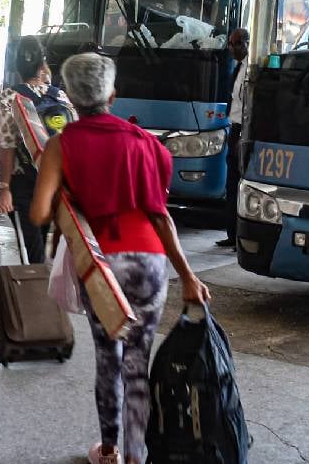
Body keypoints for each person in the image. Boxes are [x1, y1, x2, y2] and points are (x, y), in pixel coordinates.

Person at [28, 53, 211, 464]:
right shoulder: (146, 142)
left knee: (107, 355)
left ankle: (108, 449)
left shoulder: (62, 144)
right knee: (137, 360)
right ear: (113, 94)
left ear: (71, 97)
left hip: (101, 264)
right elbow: (159, 215)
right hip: (149, 261)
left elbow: (39, 214)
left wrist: (67, 193)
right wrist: (188, 276)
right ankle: (135, 456)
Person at [0, 35, 73, 264]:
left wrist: (4, 188)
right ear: (42, 65)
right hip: (55, 181)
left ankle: (37, 290)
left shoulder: (10, 96)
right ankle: (47, 288)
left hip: (25, 183)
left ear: (16, 67)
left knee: (31, 247)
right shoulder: (60, 96)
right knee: (44, 240)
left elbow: (7, 145)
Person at [217, 28, 250, 249]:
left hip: (243, 130)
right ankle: (232, 234)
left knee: (239, 183)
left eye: (236, 44)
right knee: (231, 183)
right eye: (230, 44)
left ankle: (241, 235)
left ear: (246, 43)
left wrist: (242, 135)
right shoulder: (237, 67)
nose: (231, 48)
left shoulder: (251, 69)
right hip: (234, 128)